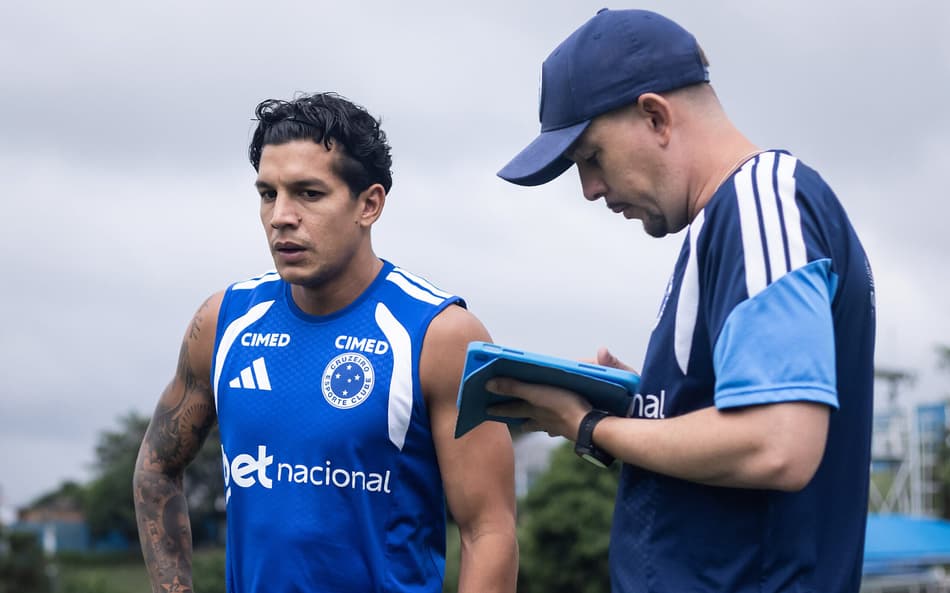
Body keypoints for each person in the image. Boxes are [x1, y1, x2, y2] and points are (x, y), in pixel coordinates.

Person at [492, 8, 874, 593]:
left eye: (590, 158)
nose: (590, 189)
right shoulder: (735, 217)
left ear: (655, 116)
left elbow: (779, 444)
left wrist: (589, 425)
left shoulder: (760, 203)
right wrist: (644, 404)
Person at [133, 92, 518, 593]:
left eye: (308, 194)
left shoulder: (438, 335)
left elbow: (489, 531)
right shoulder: (223, 322)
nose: (281, 217)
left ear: (369, 204)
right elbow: (156, 471)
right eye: (268, 194)